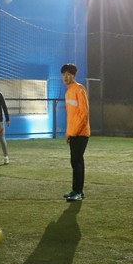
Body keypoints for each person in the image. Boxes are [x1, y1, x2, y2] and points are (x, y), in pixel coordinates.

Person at [60, 64, 90, 202]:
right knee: (75, 161)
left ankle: (78, 192)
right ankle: (76, 190)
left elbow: (84, 113)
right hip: (73, 133)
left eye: (68, 74)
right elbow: (71, 116)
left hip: (81, 133)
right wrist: (68, 132)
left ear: (73, 75)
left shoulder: (79, 89)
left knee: (77, 161)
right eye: (63, 74)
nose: (66, 77)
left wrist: (74, 131)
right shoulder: (68, 92)